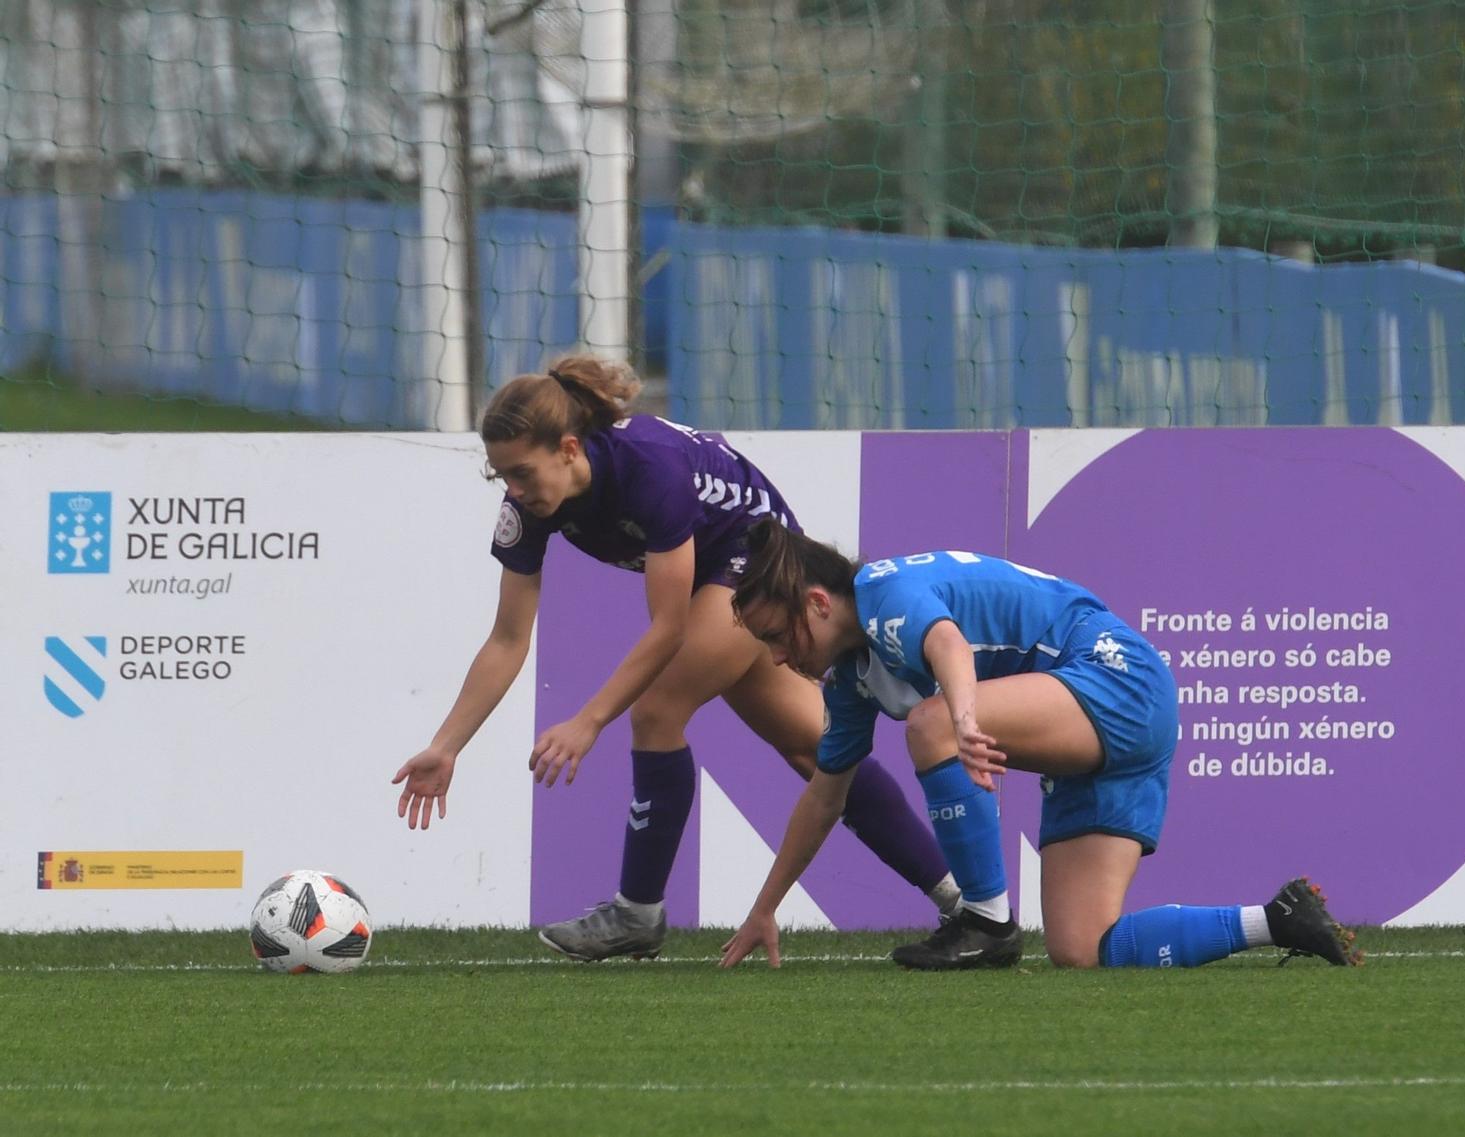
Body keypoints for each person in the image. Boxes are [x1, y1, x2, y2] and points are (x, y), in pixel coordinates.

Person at [390, 354, 958, 960]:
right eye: (502, 476)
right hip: (708, 575)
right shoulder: (525, 510)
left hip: (756, 554)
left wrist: (590, 720)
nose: (515, 490)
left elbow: (667, 629)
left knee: (656, 711)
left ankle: (637, 911)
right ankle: (963, 900)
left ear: (569, 449)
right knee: (816, 749)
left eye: (523, 472)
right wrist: (448, 744)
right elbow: (507, 640)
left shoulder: (647, 468)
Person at [717, 520, 1362, 970]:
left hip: (1116, 679)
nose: (776, 658)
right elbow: (825, 798)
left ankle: (988, 924)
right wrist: (764, 909)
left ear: (820, 603)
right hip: (1101, 721)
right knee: (1082, 948)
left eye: (777, 635)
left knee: (932, 723)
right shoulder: (853, 683)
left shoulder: (882, 591)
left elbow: (944, 643)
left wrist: (963, 722)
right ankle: (1278, 919)